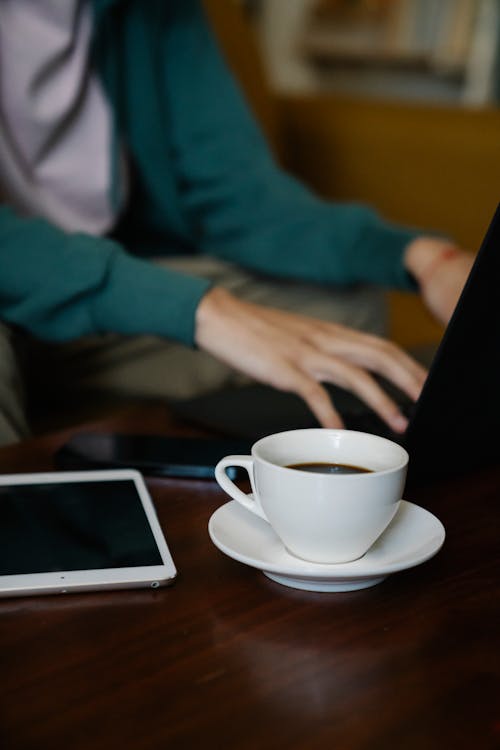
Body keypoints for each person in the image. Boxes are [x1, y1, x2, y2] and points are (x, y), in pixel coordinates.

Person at [0, 0, 474, 447]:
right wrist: (203, 310)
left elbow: (237, 195)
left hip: (94, 313)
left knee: (343, 314)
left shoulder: (158, 10)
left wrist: (422, 258)